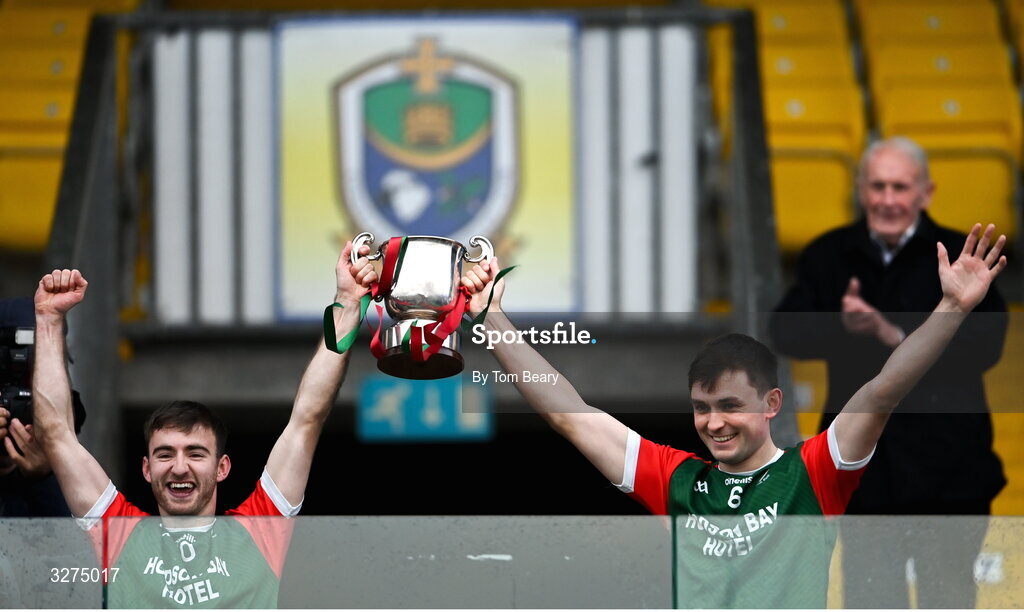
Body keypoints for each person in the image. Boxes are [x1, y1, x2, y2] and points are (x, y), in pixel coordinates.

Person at [461, 222, 1007, 608]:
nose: (713, 423)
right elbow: (571, 416)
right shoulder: (679, 481)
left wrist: (953, 308)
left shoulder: (813, 474)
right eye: (701, 408)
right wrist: (494, 321)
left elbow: (884, 389)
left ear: (772, 405)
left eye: (729, 407)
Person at [31, 243, 377, 608]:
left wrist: (347, 303)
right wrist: (49, 320)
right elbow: (56, 435)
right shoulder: (119, 534)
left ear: (222, 466)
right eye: (165, 454)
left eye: (196, 453)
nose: (179, 467)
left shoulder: (260, 530)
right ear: (146, 469)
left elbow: (308, 416)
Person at [769, 137, 1008, 608]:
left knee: (950, 598)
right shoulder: (827, 255)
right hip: (864, 477)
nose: (887, 199)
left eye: (900, 186)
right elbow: (784, 331)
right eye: (877, 186)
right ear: (860, 189)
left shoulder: (965, 256)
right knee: (870, 598)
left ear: (926, 191)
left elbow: (987, 347)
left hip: (951, 470)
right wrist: (843, 325)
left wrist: (893, 332)